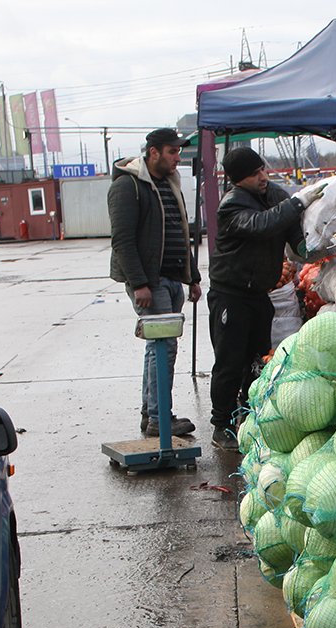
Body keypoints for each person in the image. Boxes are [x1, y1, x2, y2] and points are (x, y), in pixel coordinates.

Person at [208, 146, 319, 450]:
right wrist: (297, 201)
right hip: (230, 294)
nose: (262, 177)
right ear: (237, 180)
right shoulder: (232, 206)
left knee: (259, 359)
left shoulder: (274, 194)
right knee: (231, 361)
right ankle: (223, 425)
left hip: (260, 293)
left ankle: (250, 414)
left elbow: (289, 229)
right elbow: (262, 225)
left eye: (262, 169)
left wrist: (309, 249)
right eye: (254, 174)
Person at [108, 127, 202, 439]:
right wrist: (139, 284)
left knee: (160, 346)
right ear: (153, 153)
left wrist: (193, 278)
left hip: (173, 278)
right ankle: (160, 417)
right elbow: (122, 241)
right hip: (151, 281)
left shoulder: (167, 184)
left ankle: (153, 415)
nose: (178, 157)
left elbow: (180, 230)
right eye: (172, 152)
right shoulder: (128, 186)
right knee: (163, 346)